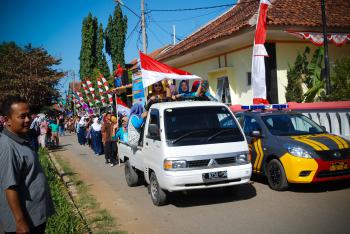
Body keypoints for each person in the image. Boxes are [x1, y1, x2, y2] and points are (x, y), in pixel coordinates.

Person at [0, 96, 55, 234]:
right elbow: (9, 186)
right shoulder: (7, 146)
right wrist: (20, 222)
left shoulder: (20, 139)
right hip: (25, 223)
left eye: (28, 115)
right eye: (22, 117)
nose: (28, 120)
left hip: (34, 217)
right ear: (7, 120)